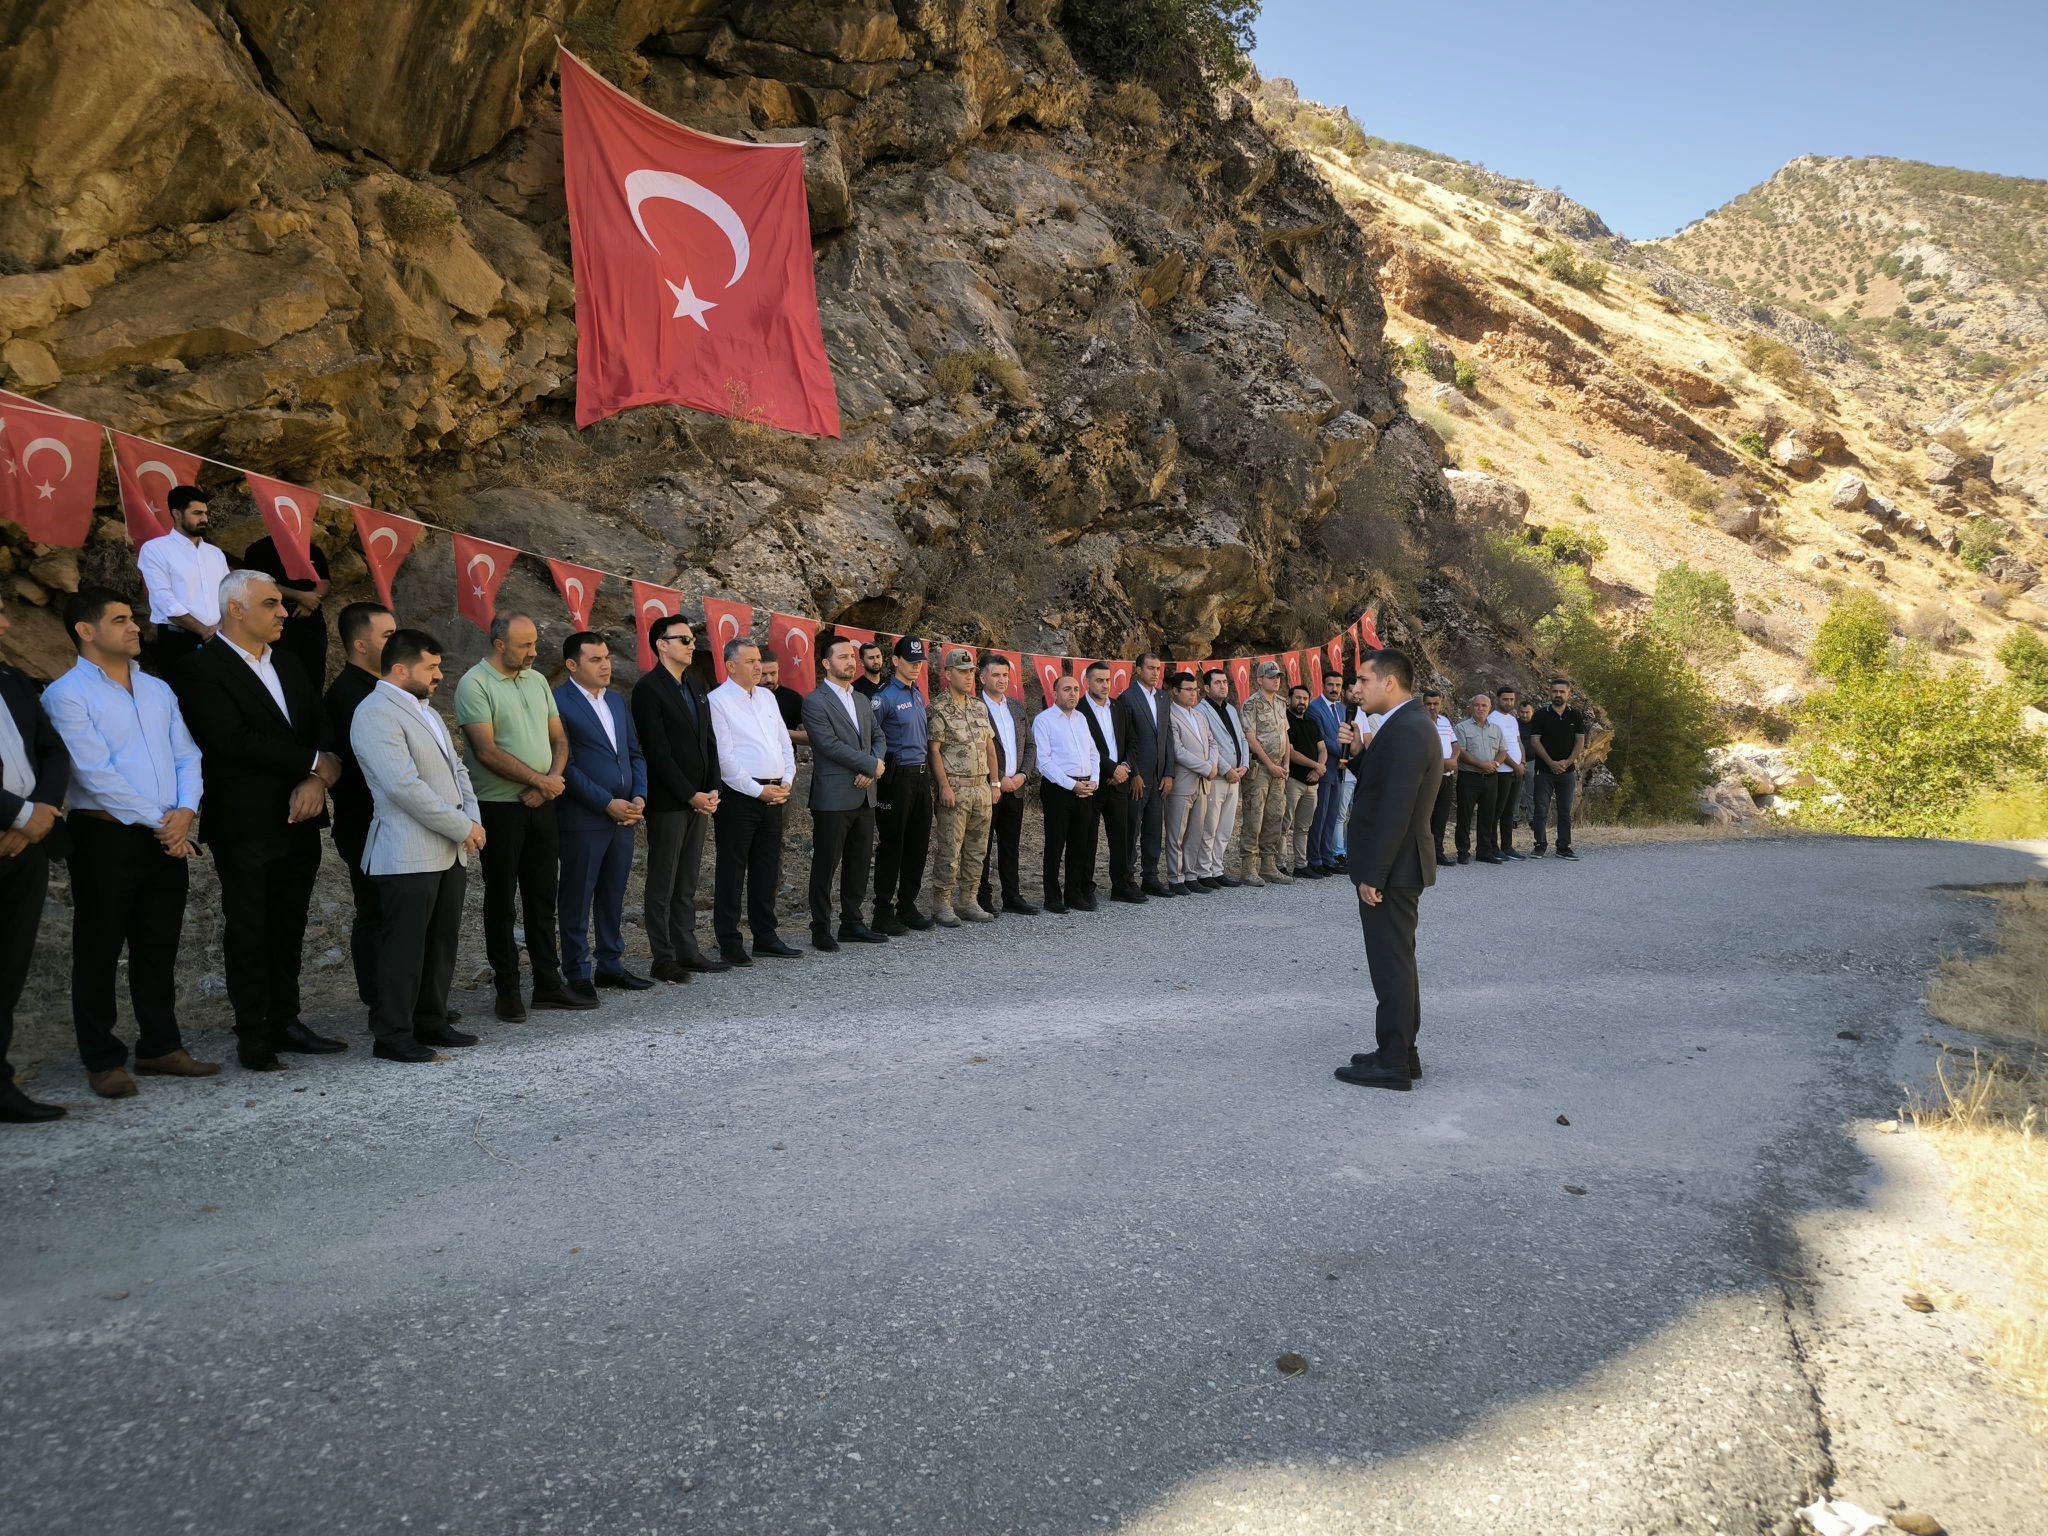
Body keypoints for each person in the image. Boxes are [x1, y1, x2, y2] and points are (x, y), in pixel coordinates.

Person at [43, 588, 213, 1099]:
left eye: (133, 618)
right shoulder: (66, 694)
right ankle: (102, 1058)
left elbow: (187, 755)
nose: (136, 627)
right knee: (98, 946)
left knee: (157, 944)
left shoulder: (158, 690)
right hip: (106, 836)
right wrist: (165, 822)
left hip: (168, 834)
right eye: (121, 620)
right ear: (85, 630)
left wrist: (185, 813)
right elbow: (94, 773)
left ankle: (160, 1046)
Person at [172, 569, 345, 1071]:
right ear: (235, 610)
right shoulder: (198, 670)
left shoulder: (289, 663)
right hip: (245, 823)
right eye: (271, 603)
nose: (284, 611)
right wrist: (312, 763)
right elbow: (230, 739)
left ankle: (285, 1020)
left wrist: (317, 781)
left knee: (289, 924)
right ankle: (253, 1032)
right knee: (249, 928)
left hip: (302, 816)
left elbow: (319, 726)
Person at [350, 628, 484, 1063]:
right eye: (432, 667)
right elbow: (402, 787)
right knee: (403, 948)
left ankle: (432, 1019)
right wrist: (460, 826)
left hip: (448, 848)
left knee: (441, 942)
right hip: (405, 851)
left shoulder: (427, 711)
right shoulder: (374, 713)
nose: (439, 675)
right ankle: (392, 1035)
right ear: (400, 668)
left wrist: (473, 820)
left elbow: (458, 770)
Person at [456, 612, 591, 1020]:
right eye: (525, 645)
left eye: (534, 643)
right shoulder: (473, 684)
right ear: (499, 644)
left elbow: (559, 738)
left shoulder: (536, 681)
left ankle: (548, 985)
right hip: (498, 809)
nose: (534, 653)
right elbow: (486, 750)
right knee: (501, 901)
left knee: (542, 897)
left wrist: (549, 781)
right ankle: (508, 990)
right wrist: (540, 780)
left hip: (542, 804)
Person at [1332, 650, 1443, 1092]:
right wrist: (1360, 754)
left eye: (1363, 679)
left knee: (1391, 963)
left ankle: (1394, 1060)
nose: (1355, 688)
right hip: (1398, 866)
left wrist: (1372, 875)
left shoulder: (1408, 730)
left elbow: (1396, 809)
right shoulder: (1405, 726)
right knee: (1397, 960)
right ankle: (1403, 1053)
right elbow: (1385, 787)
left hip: (1393, 869)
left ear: (1389, 683)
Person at [0, 596, 71, 1123]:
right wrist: (21, 816)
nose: (6, 621)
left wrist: (39, 813)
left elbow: (52, 749)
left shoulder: (12, 678)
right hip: (16, 829)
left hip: (23, 845)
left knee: (7, 969)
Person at [554, 631, 650, 997]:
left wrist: (639, 796)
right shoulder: (557, 702)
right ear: (572, 665)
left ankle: (610, 964)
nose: (606, 664)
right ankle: (577, 971)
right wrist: (605, 803)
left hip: (625, 816)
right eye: (595, 659)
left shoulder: (615, 701)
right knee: (577, 896)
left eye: (607, 656)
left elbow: (634, 753)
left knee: (613, 895)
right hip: (583, 818)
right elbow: (565, 765)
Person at [632, 614, 725, 980]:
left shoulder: (696, 683)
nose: (692, 645)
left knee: (687, 880)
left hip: (702, 798)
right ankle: (663, 956)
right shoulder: (648, 689)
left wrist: (713, 786)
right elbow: (657, 753)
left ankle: (687, 949)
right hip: (671, 801)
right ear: (661, 644)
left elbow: (709, 740)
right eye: (683, 639)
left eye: (692, 639)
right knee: (663, 880)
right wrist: (690, 794)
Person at [322, 601, 397, 1013]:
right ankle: (380, 1002)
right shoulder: (348, 695)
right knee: (375, 913)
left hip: (392, 824)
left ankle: (403, 998)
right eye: (387, 636)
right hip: (367, 825)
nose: (396, 642)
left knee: (398, 915)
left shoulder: (386, 689)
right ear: (359, 644)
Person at [708, 637, 799, 964]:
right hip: (740, 797)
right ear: (731, 666)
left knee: (767, 866)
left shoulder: (766, 698)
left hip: (776, 792)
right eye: (750, 661)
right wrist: (758, 790)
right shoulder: (717, 701)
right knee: (732, 869)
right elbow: (725, 758)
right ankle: (730, 940)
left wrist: (786, 780)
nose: (759, 666)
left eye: (759, 660)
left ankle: (765, 935)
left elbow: (784, 742)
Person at [799, 636, 888, 952]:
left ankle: (852, 923)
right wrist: (870, 764)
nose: (850, 662)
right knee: (825, 865)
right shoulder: (815, 701)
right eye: (842, 657)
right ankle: (820, 928)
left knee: (859, 862)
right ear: (826, 663)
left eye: (852, 657)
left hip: (865, 795)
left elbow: (878, 736)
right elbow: (827, 745)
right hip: (834, 796)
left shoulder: (862, 700)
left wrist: (873, 764)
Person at [927, 648, 999, 926]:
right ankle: (941, 903)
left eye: (971, 671)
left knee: (977, 850)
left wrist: (994, 783)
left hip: (980, 787)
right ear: (947, 674)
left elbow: (989, 746)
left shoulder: (979, 706)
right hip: (955, 789)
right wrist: (943, 786)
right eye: (962, 671)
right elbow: (934, 751)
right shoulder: (938, 708)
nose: (968, 677)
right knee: (949, 849)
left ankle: (968, 900)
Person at [870, 638, 933, 934]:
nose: (916, 667)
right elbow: (871, 735)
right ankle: (883, 910)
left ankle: (907, 905)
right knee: (893, 843)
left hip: (921, 777)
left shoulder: (918, 693)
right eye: (910, 661)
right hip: (897, 778)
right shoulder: (884, 697)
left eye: (919, 662)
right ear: (895, 662)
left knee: (918, 843)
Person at [135, 485, 229, 675]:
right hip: (178, 640)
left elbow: (229, 592)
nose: (204, 519)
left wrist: (222, 629)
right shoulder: (155, 549)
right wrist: (204, 630)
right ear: (177, 514)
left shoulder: (215, 553)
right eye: (197, 513)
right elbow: (164, 600)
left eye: (205, 513)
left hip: (220, 637)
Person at [975, 654, 1038, 917]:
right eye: (996, 675)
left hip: (1017, 786)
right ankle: (981, 897)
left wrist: (1023, 774)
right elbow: (976, 750)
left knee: (1010, 845)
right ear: (982, 677)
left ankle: (1012, 895)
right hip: (990, 788)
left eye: (1005, 675)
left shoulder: (1016, 707)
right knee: (983, 846)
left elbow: (1030, 746)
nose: (1002, 680)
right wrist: (999, 779)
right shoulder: (974, 706)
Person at [1032, 674, 1100, 914]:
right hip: (1058, 790)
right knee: (1055, 844)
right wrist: (1071, 785)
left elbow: (1094, 753)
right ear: (1055, 693)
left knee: (1079, 844)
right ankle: (1052, 897)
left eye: (1075, 689)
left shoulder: (1081, 718)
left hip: (1085, 788)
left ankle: (1074, 894)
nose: (1072, 694)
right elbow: (1044, 761)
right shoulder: (1044, 720)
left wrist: (1094, 780)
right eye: (1067, 689)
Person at [1076, 661, 1139, 903]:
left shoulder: (1119, 707)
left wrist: (1124, 768)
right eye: (1099, 680)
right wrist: (1112, 769)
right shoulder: (1079, 709)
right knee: (1088, 838)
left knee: (1121, 837)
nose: (1104, 685)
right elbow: (1085, 747)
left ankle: (1121, 886)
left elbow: (1133, 742)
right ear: (1087, 682)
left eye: (1107, 680)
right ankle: (1085, 888)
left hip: (1119, 782)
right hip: (1093, 783)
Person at [1113, 652, 1174, 897]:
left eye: (1158, 668)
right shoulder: (1127, 698)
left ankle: (1150, 876)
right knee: (1132, 828)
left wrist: (1169, 772)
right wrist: (1134, 772)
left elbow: (1167, 736)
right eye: (1150, 668)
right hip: (1136, 776)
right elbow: (1126, 739)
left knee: (1153, 828)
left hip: (1159, 775)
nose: (1155, 673)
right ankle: (1127, 878)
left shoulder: (1163, 697)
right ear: (1137, 669)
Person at [242, 532, 333, 688]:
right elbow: (258, 583)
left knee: (314, 677)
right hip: (274, 623)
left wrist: (311, 599)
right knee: (281, 677)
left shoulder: (312, 549)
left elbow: (324, 581)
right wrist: (300, 596)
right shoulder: (259, 550)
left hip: (311, 621)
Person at [1237, 661, 1292, 886]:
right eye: (1270, 677)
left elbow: (1285, 735)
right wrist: (1270, 764)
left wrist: (1287, 763)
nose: (1276, 680)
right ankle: (1248, 867)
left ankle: (1268, 865)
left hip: (1279, 768)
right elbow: (1250, 737)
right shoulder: (1251, 704)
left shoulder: (1280, 703)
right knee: (1254, 816)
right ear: (1259, 680)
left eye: (1278, 676)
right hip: (1260, 768)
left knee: (1275, 816)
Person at [1164, 671, 1218, 895]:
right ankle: (1175, 877)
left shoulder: (1199, 716)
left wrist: (1212, 764)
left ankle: (1190, 874)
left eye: (1195, 689)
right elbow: (1178, 751)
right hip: (1183, 782)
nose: (1193, 694)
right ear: (1175, 691)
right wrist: (1206, 767)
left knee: (1196, 831)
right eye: (1188, 689)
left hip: (1203, 782)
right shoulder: (1169, 715)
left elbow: (1212, 743)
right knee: (1177, 833)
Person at [1198, 669, 1249, 889]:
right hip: (1217, 776)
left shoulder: (1230, 709)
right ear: (1207, 688)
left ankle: (1217, 868)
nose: (1223, 686)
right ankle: (1203, 870)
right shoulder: (1201, 711)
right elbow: (1210, 745)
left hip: (1236, 775)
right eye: (1217, 683)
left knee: (1226, 827)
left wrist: (1244, 764)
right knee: (1210, 825)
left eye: (1225, 682)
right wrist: (1226, 769)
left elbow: (1242, 739)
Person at [1529, 679, 1585, 860]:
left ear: (1569, 693)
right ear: (1549, 693)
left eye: (1562, 691)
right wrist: (1551, 762)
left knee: (1564, 810)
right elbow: (1535, 741)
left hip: (1567, 772)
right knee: (1541, 809)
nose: (1558, 695)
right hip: (1544, 771)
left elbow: (1580, 741)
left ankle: (1563, 847)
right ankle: (1540, 845)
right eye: (1555, 691)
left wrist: (1568, 762)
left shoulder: (1575, 715)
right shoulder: (1540, 715)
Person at [1453, 692, 1507, 866]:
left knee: (1488, 816)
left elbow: (1503, 751)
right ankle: (1463, 852)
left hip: (1491, 777)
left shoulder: (1496, 729)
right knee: (1465, 816)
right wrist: (1482, 764)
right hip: (1469, 777)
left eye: (1484, 706)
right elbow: (1461, 752)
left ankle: (1484, 851)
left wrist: (1495, 765)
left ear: (1489, 708)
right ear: (1471, 708)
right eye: (1477, 705)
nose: (1480, 708)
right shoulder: (1462, 728)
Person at [1306, 669, 1348, 873]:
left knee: (1332, 816)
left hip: (1339, 769)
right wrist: (1344, 754)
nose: (1335, 689)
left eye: (1338, 685)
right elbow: (1322, 738)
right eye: (1331, 685)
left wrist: (1347, 757)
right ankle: (1315, 860)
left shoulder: (1342, 709)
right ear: (1323, 685)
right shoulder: (1315, 708)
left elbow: (1347, 735)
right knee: (1319, 817)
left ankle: (1328, 857)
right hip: (1324, 768)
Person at [1282, 684, 1327, 877]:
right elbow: (1290, 752)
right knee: (1284, 824)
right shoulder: (1285, 721)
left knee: (1303, 827)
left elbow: (1323, 749)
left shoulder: (1312, 722)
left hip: (1312, 784)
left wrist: (1318, 771)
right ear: (1290, 699)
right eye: (1298, 698)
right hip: (1293, 780)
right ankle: (1280, 864)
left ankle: (1300, 865)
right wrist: (1316, 766)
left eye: (1305, 699)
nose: (1302, 702)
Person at [1333, 674, 1376, 866]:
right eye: (1350, 690)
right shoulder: (1340, 711)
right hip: (1343, 770)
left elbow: (1367, 740)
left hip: (1358, 769)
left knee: (1355, 813)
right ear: (1344, 693)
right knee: (1340, 813)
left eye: (1356, 690)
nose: (1354, 694)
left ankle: (1352, 850)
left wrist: (1365, 760)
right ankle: (1338, 851)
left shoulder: (1360, 713)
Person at [1422, 688, 1458, 865]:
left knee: (1442, 816)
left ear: (1441, 704)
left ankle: (1438, 852)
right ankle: (1424, 855)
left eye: (1435, 704)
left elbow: (1456, 744)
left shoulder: (1445, 721)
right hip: (1429, 777)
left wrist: (1453, 759)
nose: (1432, 707)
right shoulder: (1420, 723)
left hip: (1447, 776)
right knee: (1426, 817)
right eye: (1428, 704)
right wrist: (1443, 762)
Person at [1493, 685, 1528, 861]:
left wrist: (1522, 762)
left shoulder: (1513, 719)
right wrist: (1515, 766)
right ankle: (1493, 847)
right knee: (1496, 811)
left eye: (1512, 700)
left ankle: (1508, 847)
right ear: (1497, 699)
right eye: (1505, 699)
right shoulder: (1493, 719)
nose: (1509, 702)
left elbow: (1518, 742)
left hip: (1517, 771)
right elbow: (1499, 749)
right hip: (1502, 772)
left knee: (1509, 811)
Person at [759, 655, 809, 747]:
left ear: (778, 670)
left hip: (786, 759)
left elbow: (810, 737)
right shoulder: (747, 697)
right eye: (763, 674)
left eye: (773, 673)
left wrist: (780, 732)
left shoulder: (793, 698)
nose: (769, 679)